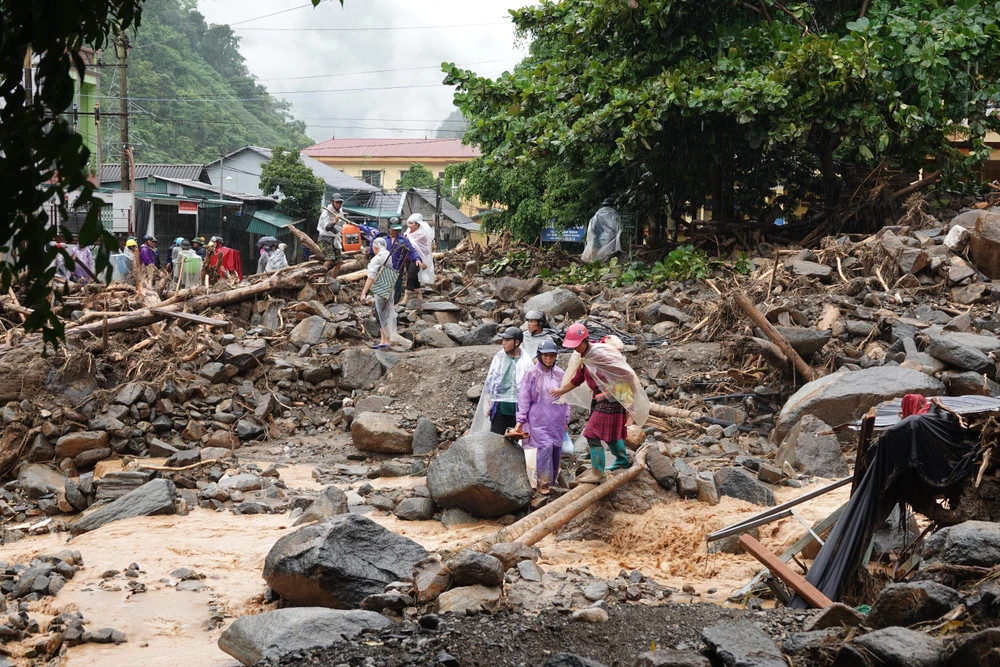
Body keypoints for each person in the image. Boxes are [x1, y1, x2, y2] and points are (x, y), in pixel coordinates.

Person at [550, 323, 649, 483]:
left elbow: (627, 375)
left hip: (611, 400)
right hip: (600, 399)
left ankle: (598, 472)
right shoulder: (585, 357)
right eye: (572, 346)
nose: (575, 349)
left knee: (591, 433)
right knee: (610, 435)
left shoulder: (599, 354)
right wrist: (562, 390)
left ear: (585, 340)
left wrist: (612, 391)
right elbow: (578, 378)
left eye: (577, 345)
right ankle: (622, 460)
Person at [513, 339, 571, 495]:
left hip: (557, 419)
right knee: (544, 448)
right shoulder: (531, 374)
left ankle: (552, 482)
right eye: (545, 355)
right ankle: (543, 484)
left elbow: (566, 398)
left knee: (556, 449)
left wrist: (566, 418)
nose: (549, 359)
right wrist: (520, 420)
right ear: (539, 355)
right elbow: (524, 398)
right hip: (538, 419)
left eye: (552, 356)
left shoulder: (560, 373)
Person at [473, 327, 526, 436]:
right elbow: (491, 381)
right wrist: (488, 401)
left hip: (517, 410)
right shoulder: (499, 358)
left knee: (517, 444)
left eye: (507, 340)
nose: (503, 343)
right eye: (503, 340)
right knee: (495, 441)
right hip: (500, 409)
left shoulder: (526, 361)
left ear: (517, 342)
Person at [359, 237, 397, 350]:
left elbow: (371, 277)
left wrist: (364, 292)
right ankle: (383, 340)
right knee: (384, 312)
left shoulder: (377, 258)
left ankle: (387, 340)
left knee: (380, 314)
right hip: (389, 285)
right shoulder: (388, 255)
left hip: (381, 286)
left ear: (375, 247)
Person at [403, 213, 435, 307]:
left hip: (419, 258)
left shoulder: (422, 234)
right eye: (409, 223)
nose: (409, 225)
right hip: (409, 257)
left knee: (411, 275)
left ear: (417, 224)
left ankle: (406, 295)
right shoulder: (408, 232)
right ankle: (419, 295)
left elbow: (424, 248)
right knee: (413, 275)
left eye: (412, 223)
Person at [581, 197, 623, 263]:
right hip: (611, 239)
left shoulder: (597, 214)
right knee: (610, 258)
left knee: (597, 259)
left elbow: (591, 228)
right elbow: (619, 228)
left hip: (598, 239)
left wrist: (593, 239)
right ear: (612, 205)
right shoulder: (614, 214)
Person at [317, 193, 347, 278]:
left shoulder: (340, 211)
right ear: (332, 202)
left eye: (340, 202)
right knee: (330, 258)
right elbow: (327, 227)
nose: (339, 204)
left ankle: (332, 279)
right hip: (325, 239)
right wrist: (334, 222)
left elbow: (342, 225)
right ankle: (320, 277)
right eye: (337, 202)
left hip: (335, 239)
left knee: (339, 262)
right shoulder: (326, 212)